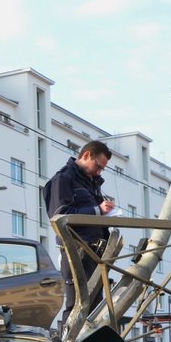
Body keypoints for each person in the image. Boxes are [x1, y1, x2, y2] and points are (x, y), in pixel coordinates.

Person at [43, 140, 116, 327]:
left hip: (94, 253)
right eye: (98, 166)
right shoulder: (63, 179)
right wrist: (98, 210)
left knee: (93, 306)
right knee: (78, 305)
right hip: (78, 251)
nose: (99, 172)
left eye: (102, 169)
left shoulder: (90, 182)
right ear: (86, 156)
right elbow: (60, 216)